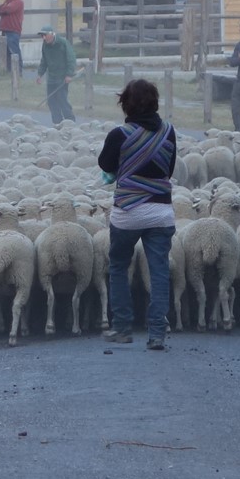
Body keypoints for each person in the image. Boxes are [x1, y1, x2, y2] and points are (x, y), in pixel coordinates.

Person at [97, 78, 177, 350]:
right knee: (159, 271)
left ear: (126, 105)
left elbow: (105, 164)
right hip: (160, 212)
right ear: (155, 102)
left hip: (128, 213)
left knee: (119, 265)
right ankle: (157, 333)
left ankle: (122, 328)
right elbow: (169, 169)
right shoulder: (169, 132)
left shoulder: (119, 135)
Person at [0, 0, 24, 75]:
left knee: (14, 51)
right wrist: (3, 8)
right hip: (6, 30)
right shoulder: (8, 1)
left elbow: (7, 9)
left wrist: (3, 8)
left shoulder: (18, 1)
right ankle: (8, 71)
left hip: (13, 31)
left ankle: (18, 71)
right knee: (7, 53)